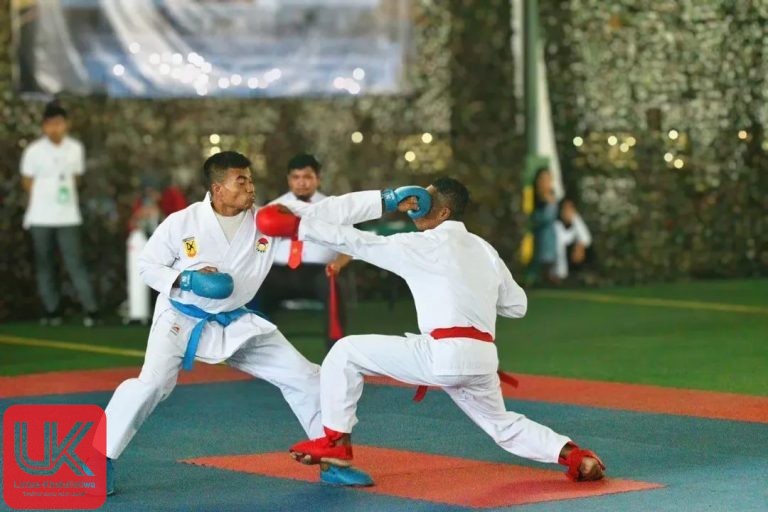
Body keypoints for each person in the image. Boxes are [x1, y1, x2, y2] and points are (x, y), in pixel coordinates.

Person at [99, 150, 427, 495]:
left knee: (306, 377)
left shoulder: (267, 220)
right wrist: (186, 279)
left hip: (234, 321)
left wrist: (387, 199)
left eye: (251, 179)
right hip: (180, 318)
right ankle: (99, 455)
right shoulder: (182, 222)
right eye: (241, 181)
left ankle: (332, 460)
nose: (250, 187)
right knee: (151, 385)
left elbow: (331, 210)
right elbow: (147, 266)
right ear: (217, 188)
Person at [260, 177, 605, 482]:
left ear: (442, 212)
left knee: (344, 352)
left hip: (442, 355)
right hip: (482, 359)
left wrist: (298, 227)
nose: (415, 205)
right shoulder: (485, 249)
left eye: (424, 199)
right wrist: (474, 293)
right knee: (502, 425)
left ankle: (336, 442)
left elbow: (358, 243)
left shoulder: (419, 245)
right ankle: (575, 456)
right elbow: (518, 306)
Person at [250, 153, 352, 350]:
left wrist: (338, 264)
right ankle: (256, 349)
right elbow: (260, 243)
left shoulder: (333, 209)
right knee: (251, 286)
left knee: (333, 286)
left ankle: (336, 351)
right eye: (296, 177)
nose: (301, 183)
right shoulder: (273, 208)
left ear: (318, 179)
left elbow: (349, 247)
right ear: (289, 180)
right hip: (279, 274)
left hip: (319, 273)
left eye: (307, 177)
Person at [20, 102, 99, 327]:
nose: (55, 128)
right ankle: (51, 310)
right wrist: (46, 196)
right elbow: (27, 182)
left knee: (75, 263)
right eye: (50, 124)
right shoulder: (33, 151)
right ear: (44, 126)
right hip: (40, 216)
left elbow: (77, 178)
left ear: (66, 125)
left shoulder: (75, 148)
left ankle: (91, 310)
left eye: (59, 123)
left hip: (68, 216)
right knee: (44, 264)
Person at [530, 168, 559, 285]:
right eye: (542, 179)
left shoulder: (551, 198)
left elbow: (547, 218)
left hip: (546, 236)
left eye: (547, 179)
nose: (544, 182)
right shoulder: (531, 196)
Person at [554, 198, 593, 281]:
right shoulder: (555, 223)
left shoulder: (576, 220)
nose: (567, 212)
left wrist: (579, 249)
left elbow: (585, 238)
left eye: (570, 209)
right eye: (565, 209)